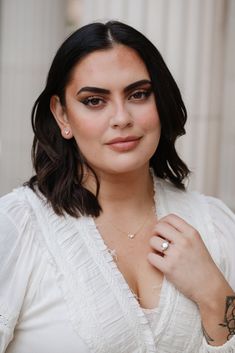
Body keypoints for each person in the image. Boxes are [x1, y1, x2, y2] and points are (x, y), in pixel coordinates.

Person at [0, 20, 234, 353]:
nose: (121, 117)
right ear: (62, 116)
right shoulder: (17, 227)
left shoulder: (214, 226)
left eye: (139, 94)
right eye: (95, 101)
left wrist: (215, 294)